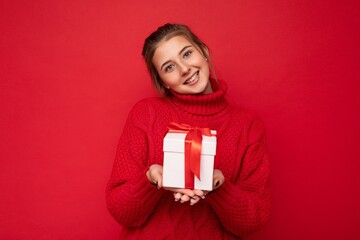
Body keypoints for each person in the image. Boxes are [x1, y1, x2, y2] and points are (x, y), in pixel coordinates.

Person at [106, 23, 271, 239]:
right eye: (169, 67)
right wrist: (150, 180)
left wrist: (219, 187)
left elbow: (254, 219)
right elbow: (121, 211)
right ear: (163, 83)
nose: (184, 69)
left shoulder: (248, 126)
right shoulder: (146, 114)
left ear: (203, 51)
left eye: (187, 53)